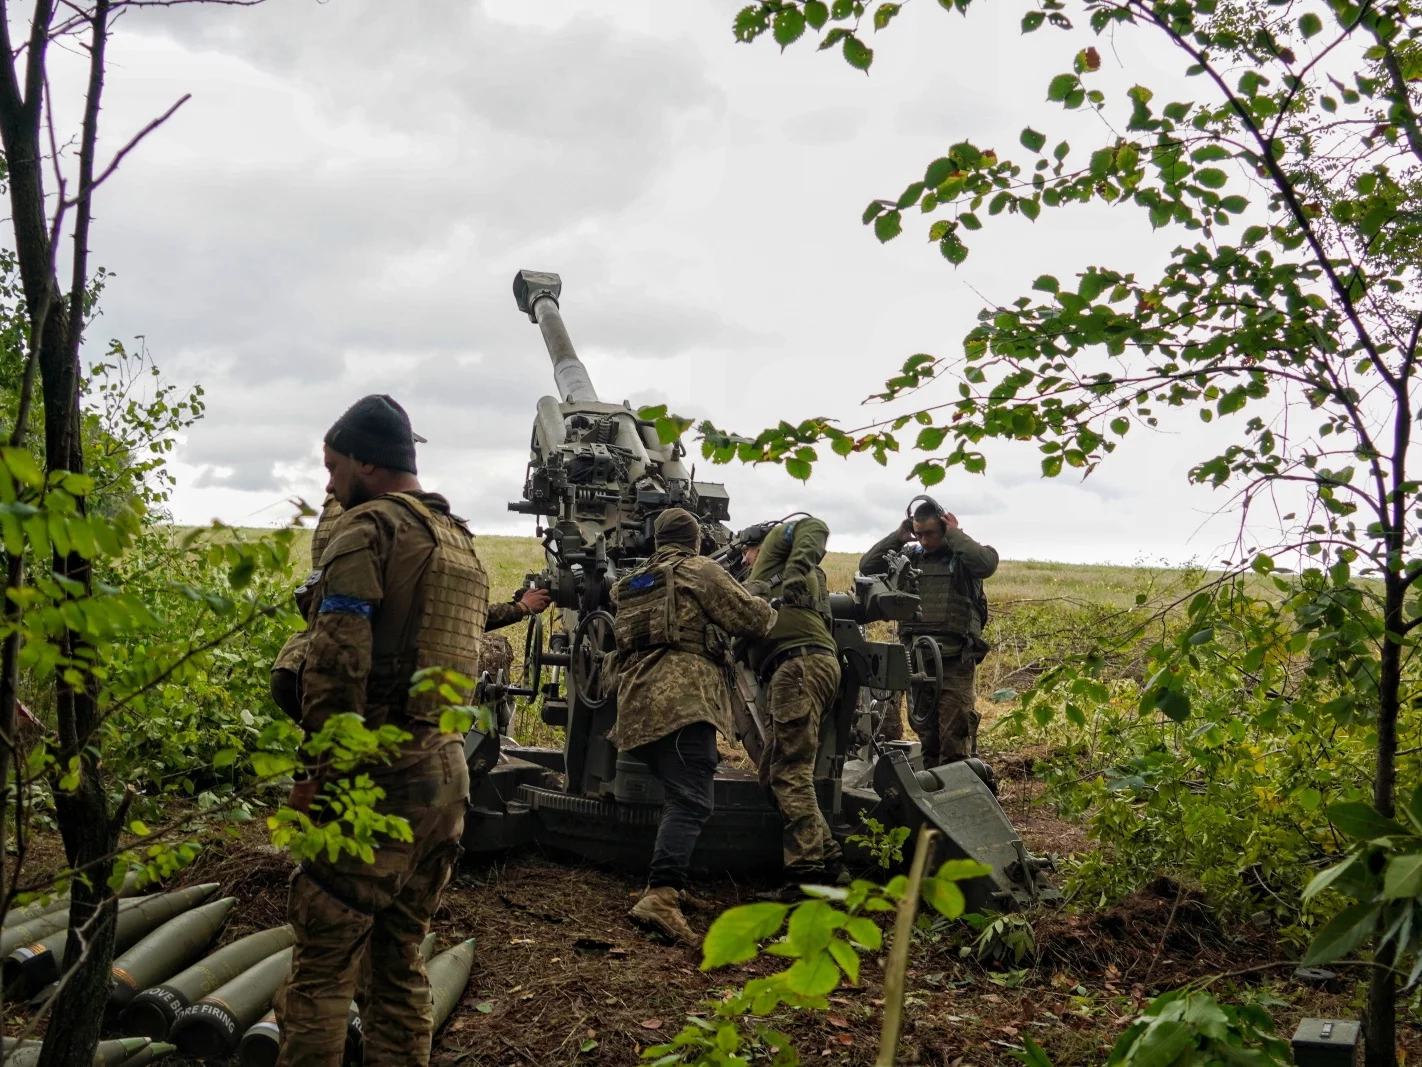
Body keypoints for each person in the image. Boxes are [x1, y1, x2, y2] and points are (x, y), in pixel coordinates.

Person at [272, 394, 484, 1067]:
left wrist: (314, 777)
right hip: (446, 780)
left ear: (369, 461)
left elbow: (336, 666)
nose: (329, 483)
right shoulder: (461, 543)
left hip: (376, 784)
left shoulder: (366, 531)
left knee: (322, 971)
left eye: (334, 466)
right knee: (399, 964)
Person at [610, 508, 777, 946]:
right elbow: (753, 621)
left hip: (636, 702)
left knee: (678, 792)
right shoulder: (698, 570)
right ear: (696, 541)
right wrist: (760, 592)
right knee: (691, 801)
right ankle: (660, 895)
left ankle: (669, 882)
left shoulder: (631, 581)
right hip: (683, 702)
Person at [738, 516, 846, 898]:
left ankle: (807, 877)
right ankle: (830, 860)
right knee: (773, 772)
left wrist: (795, 568)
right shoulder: (798, 583)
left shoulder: (773, 557)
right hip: (809, 667)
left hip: (797, 668)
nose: (746, 560)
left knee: (790, 772)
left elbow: (813, 525)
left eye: (746, 551)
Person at [860, 499, 998, 767]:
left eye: (931, 533)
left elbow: (986, 564)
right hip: (919, 661)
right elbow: (867, 567)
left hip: (955, 660)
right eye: (918, 533)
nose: (923, 540)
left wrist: (955, 534)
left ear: (945, 527)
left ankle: (956, 797)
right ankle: (933, 790)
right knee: (928, 739)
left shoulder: (963, 558)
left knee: (954, 737)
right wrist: (898, 537)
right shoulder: (909, 558)